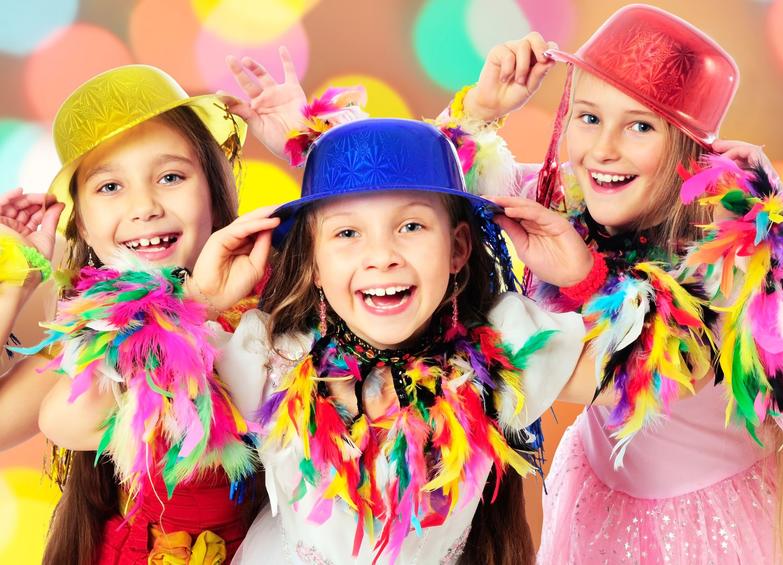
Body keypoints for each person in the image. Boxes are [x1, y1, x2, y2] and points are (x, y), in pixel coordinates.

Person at [434, 4, 783, 563]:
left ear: (687, 148)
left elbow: (655, 363)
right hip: (602, 494)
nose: (603, 150)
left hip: (703, 524)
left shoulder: (731, 254)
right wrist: (481, 112)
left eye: (640, 126)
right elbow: (439, 200)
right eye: (587, 117)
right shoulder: (575, 200)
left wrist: (583, 275)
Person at [204, 117, 590, 564]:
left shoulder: (499, 352)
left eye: (411, 226)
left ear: (458, 248)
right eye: (347, 233)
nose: (382, 257)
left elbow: (645, 368)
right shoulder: (271, 359)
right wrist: (200, 301)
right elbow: (139, 398)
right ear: (312, 261)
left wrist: (582, 278)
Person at [0, 56, 306, 564]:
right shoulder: (96, 335)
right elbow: (64, 418)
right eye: (110, 187)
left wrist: (308, 146)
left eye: (170, 177)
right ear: (82, 224)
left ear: (213, 186)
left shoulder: (281, 294)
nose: (144, 207)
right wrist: (17, 279)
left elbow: (384, 252)